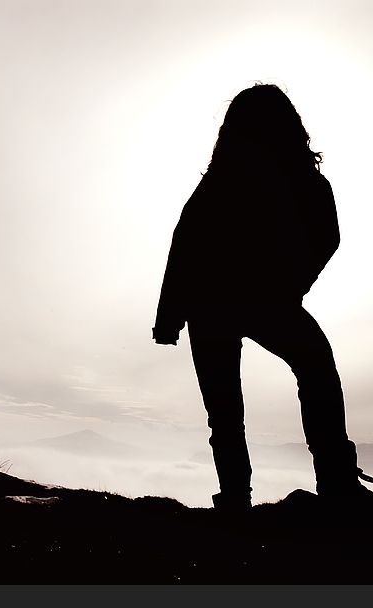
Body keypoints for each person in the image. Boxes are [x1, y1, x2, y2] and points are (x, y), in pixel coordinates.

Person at [153, 84, 372, 509]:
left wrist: (169, 316)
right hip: (247, 301)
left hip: (219, 302)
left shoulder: (226, 181)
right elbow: (327, 237)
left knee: (231, 410)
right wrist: (290, 287)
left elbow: (184, 246)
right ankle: (333, 481)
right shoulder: (294, 181)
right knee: (312, 371)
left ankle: (243, 498)